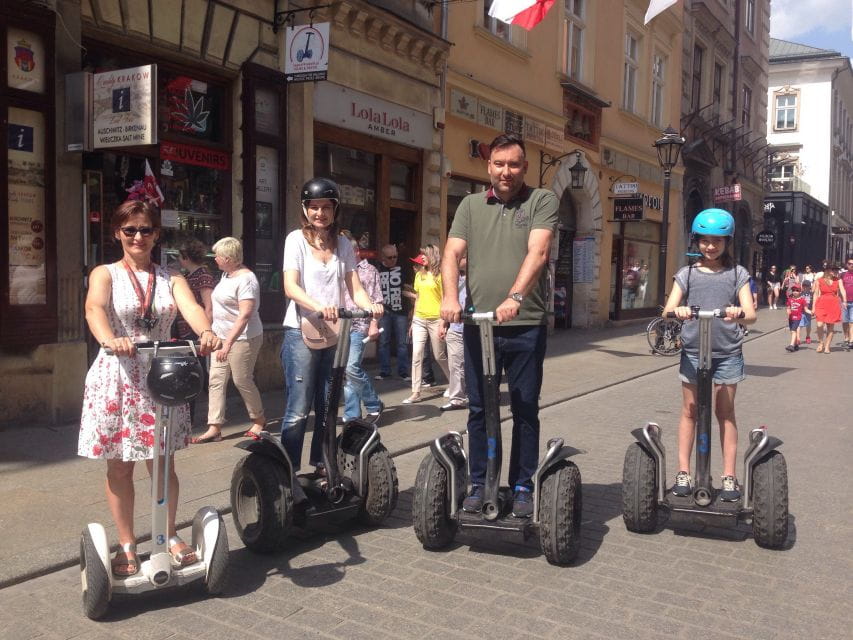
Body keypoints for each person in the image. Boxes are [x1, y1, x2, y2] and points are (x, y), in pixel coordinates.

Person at [79, 200, 221, 577]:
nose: (138, 237)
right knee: (120, 466)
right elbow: (94, 308)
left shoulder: (170, 277)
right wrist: (111, 339)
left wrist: (205, 330)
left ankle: (168, 534)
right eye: (130, 230)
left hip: (162, 377)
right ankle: (127, 543)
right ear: (117, 233)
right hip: (119, 375)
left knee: (162, 464)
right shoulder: (105, 274)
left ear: (157, 235)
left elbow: (190, 307)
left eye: (145, 230)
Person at [441, 133, 558, 519]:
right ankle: (481, 482)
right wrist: (449, 297)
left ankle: (522, 485)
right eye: (499, 164)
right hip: (480, 325)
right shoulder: (471, 205)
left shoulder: (541, 200)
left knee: (524, 407)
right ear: (488, 166)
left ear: (524, 167)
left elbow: (538, 251)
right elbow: (451, 252)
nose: (505, 172)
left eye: (513, 165)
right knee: (479, 408)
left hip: (524, 324)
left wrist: (516, 296)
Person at [280, 178, 384, 475]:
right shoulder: (295, 240)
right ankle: (287, 471)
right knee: (299, 409)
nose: (320, 213)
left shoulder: (342, 244)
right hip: (300, 331)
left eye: (326, 207)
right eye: (314, 207)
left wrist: (370, 306)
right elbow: (290, 286)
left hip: (335, 332)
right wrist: (317, 306)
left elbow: (355, 287)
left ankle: (321, 464)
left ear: (335, 209)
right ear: (305, 209)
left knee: (328, 404)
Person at [662, 208, 755, 503]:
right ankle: (684, 472)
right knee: (690, 411)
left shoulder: (738, 274)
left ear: (728, 242)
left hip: (727, 352)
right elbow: (668, 309)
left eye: (717, 240)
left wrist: (738, 312)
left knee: (724, 413)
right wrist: (677, 310)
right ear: (696, 240)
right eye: (705, 240)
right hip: (692, 351)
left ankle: (729, 476)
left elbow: (751, 315)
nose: (711, 246)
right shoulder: (686, 273)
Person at [192, 237, 266, 444]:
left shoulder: (247, 279)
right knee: (216, 380)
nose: (214, 259)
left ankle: (258, 419)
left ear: (229, 258)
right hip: (220, 335)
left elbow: (245, 315)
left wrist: (229, 343)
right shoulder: (226, 275)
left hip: (243, 338)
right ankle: (214, 427)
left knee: (242, 379)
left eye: (218, 256)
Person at [341, 232, 384, 423]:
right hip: (339, 327)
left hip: (359, 324)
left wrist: (374, 324)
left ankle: (373, 404)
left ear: (356, 250)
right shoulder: (339, 268)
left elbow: (376, 300)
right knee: (345, 370)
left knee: (352, 367)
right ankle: (352, 414)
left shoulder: (369, 270)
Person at [403, 244, 451, 404]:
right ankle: (415, 392)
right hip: (419, 319)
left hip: (436, 319)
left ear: (432, 256)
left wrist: (443, 321)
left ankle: (455, 383)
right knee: (416, 354)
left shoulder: (440, 276)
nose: (421, 257)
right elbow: (418, 298)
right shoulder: (419, 275)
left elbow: (445, 299)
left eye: (424, 254)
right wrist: (412, 320)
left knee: (439, 355)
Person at [174, 238, 214, 424]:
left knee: (194, 373)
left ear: (186, 257)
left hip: (194, 332)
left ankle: (195, 415)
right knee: (196, 373)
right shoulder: (189, 276)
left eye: (181, 256)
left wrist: (204, 331)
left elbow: (209, 305)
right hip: (186, 331)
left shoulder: (202, 275)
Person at [375, 244, 411, 381]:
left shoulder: (403, 269)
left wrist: (412, 308)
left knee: (402, 343)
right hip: (384, 311)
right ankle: (384, 370)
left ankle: (403, 371)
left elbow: (409, 288)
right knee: (384, 341)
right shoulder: (377, 269)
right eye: (389, 257)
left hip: (400, 311)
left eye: (395, 256)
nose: (393, 260)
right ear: (383, 257)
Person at [440, 255, 468, 411]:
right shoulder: (453, 279)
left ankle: (483, 394)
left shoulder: (478, 280)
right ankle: (457, 399)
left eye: (462, 256)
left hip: (474, 328)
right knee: (455, 364)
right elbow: (446, 300)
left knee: (476, 364)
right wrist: (443, 322)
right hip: (456, 328)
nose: (457, 259)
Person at [811, 263, 846, 354]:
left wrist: (845, 301)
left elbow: (842, 290)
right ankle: (821, 342)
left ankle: (827, 346)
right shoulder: (819, 280)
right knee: (819, 325)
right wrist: (813, 308)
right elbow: (815, 294)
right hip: (821, 303)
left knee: (830, 327)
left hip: (833, 304)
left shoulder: (838, 280)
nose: (836, 271)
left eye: (836, 270)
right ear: (827, 270)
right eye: (833, 270)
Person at [785, 284, 807, 352]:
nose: (795, 292)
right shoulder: (790, 299)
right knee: (792, 332)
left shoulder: (802, 300)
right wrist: (788, 311)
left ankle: (791, 345)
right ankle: (796, 345)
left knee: (793, 331)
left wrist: (812, 312)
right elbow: (788, 308)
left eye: (797, 290)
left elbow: (806, 309)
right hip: (791, 318)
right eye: (793, 290)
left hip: (797, 318)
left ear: (800, 291)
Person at [840, 256, 853, 349]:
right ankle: (846, 338)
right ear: (846, 264)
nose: (852, 265)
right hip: (843, 302)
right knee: (845, 321)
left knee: (851, 322)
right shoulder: (842, 275)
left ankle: (851, 341)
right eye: (850, 264)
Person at [800, 279, 814, 344]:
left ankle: (808, 336)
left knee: (808, 325)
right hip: (801, 312)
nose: (805, 287)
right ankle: (797, 338)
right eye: (804, 286)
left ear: (809, 287)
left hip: (809, 311)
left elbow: (814, 303)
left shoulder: (812, 294)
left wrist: (813, 310)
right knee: (800, 325)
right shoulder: (800, 294)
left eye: (807, 286)